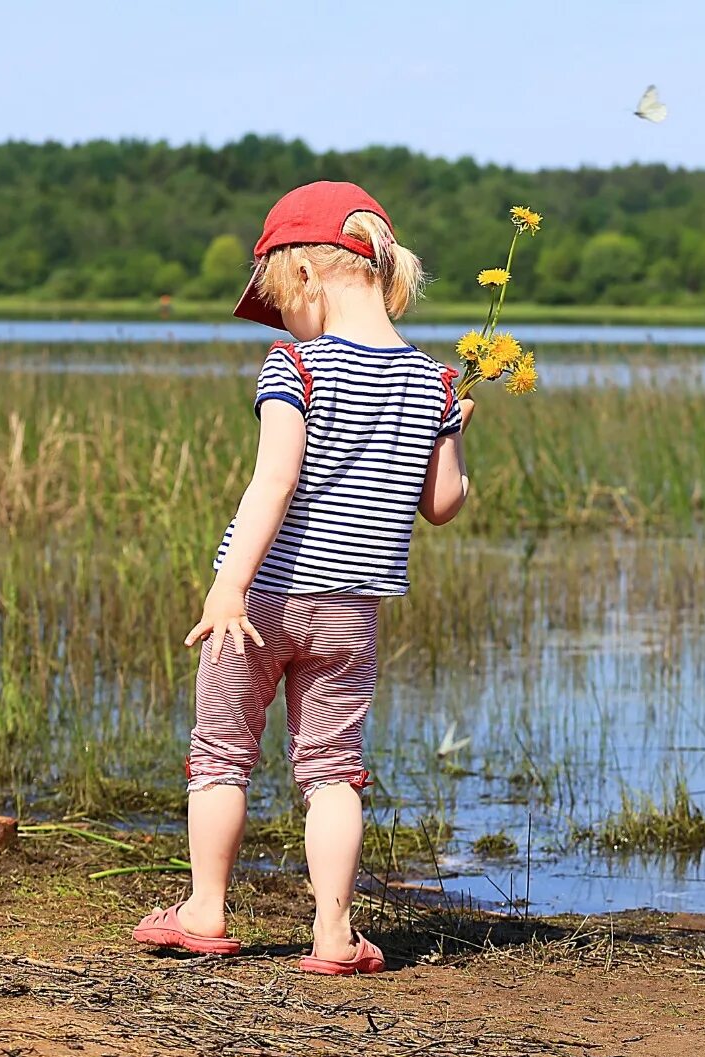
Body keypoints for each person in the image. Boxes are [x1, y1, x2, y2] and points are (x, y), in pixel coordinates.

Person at [133, 182, 471, 974]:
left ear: (306, 276)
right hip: (352, 611)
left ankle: (205, 910)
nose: (283, 321)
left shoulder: (295, 365)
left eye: (280, 301)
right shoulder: (434, 382)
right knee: (331, 771)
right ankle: (333, 933)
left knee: (220, 755)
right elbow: (443, 504)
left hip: (260, 602)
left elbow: (274, 482)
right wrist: (454, 427)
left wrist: (228, 586)